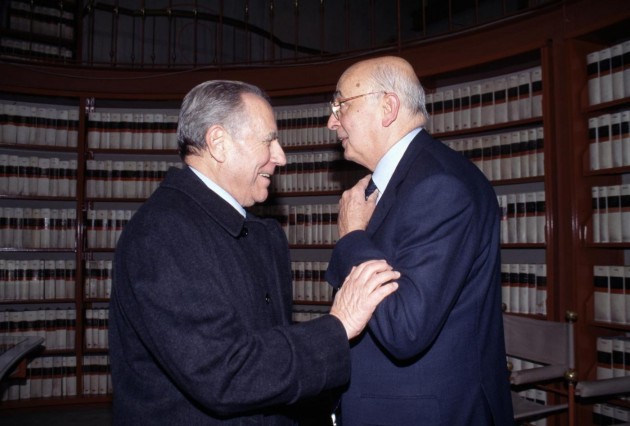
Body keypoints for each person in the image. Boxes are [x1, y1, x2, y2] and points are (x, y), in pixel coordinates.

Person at [108, 80, 400, 425]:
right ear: (218, 143)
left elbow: (269, 362)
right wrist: (339, 325)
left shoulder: (262, 234)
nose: (281, 157)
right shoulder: (161, 234)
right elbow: (224, 374)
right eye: (269, 141)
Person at [325, 56, 514, 425]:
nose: (332, 122)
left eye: (340, 105)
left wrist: (353, 236)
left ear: (388, 107)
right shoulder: (407, 179)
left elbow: (406, 328)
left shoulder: (439, 185)